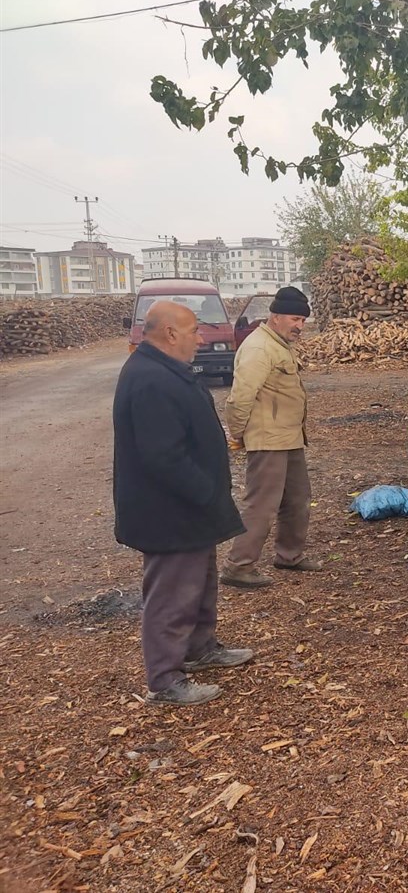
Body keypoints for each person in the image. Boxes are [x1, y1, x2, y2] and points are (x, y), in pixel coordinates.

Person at [112, 300, 253, 706]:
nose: (202, 336)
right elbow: (162, 456)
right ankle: (164, 679)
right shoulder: (149, 379)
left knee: (199, 582)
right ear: (170, 333)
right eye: (194, 330)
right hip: (168, 512)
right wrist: (206, 492)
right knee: (172, 593)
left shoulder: (166, 369)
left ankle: (199, 648)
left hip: (190, 508)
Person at [220, 287, 320, 588]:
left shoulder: (279, 344)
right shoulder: (259, 348)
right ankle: (238, 566)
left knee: (298, 500)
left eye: (303, 320)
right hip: (267, 441)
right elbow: (240, 398)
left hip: (289, 438)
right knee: (261, 505)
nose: (299, 326)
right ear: (275, 317)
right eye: (294, 319)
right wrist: (237, 434)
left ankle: (288, 555)